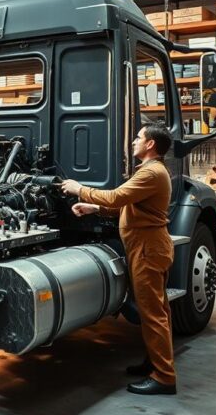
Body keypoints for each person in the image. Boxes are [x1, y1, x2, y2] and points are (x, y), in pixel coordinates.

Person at [60, 124, 177, 396]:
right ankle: (155, 363)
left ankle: (164, 377)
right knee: (157, 311)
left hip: (147, 247)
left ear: (150, 145)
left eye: (138, 136)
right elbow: (127, 205)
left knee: (153, 313)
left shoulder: (151, 172)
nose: (134, 140)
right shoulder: (151, 172)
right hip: (147, 245)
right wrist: (95, 207)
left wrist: (80, 189)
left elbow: (116, 196)